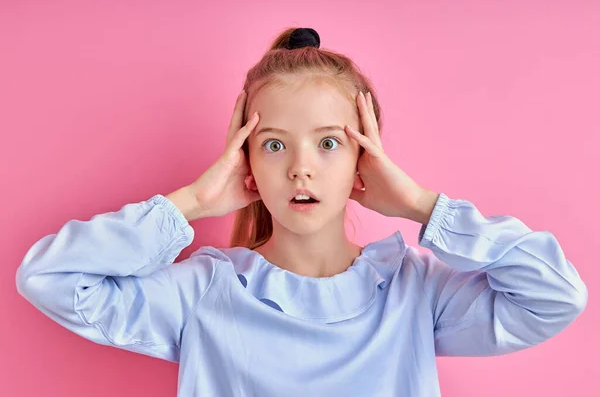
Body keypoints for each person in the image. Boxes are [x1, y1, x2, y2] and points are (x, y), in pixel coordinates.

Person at [15, 27, 588, 397]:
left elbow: (556, 296)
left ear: (365, 158)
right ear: (246, 164)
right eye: (274, 144)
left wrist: (420, 205)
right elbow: (50, 278)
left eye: (329, 143)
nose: (300, 169)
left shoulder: (414, 292)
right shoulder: (204, 291)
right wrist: (188, 202)